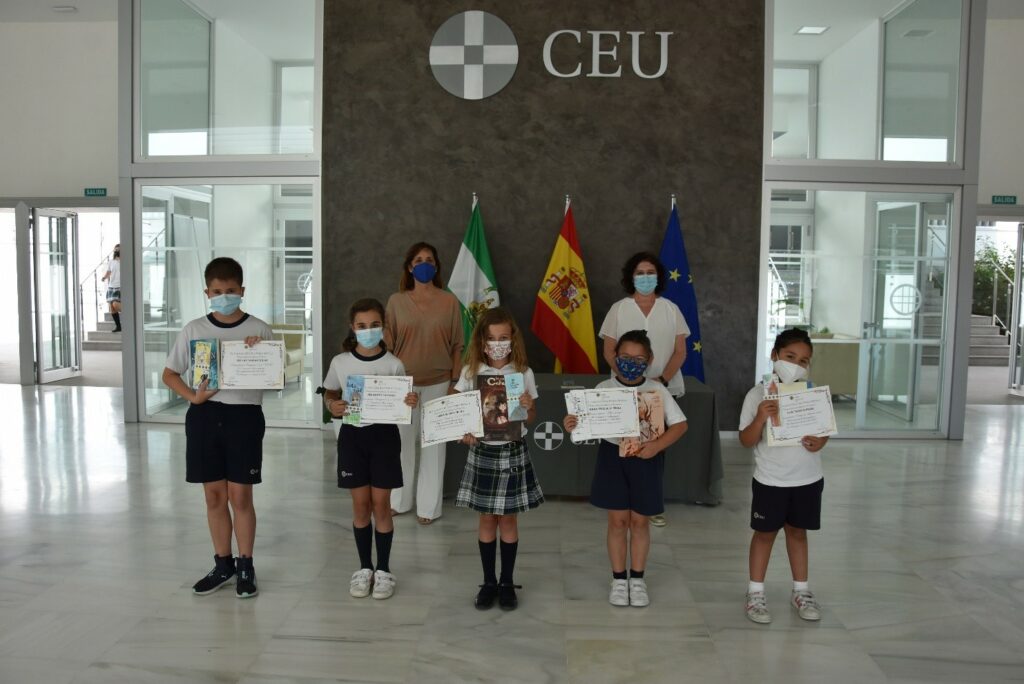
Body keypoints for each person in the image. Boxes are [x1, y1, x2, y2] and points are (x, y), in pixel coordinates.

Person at [162, 257, 272, 599]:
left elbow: (274, 376)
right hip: (205, 417)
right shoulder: (194, 329)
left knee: (241, 495)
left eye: (231, 291)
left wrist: (259, 354)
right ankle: (222, 563)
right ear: (207, 292)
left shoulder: (259, 329)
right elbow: (170, 373)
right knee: (213, 496)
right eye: (217, 291)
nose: (224, 296)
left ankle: (245, 565)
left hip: (244, 417)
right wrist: (193, 398)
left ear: (242, 291)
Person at [563, 330, 687, 608]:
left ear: (650, 360)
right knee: (617, 522)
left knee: (640, 522)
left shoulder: (657, 389)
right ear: (615, 358)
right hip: (612, 460)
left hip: (646, 459)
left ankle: (638, 579)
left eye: (639, 358)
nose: (632, 363)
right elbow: (583, 428)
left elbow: (680, 425)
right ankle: (619, 579)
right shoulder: (603, 389)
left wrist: (657, 446)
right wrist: (573, 424)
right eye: (626, 357)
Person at [322, 298, 419, 600]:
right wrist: (332, 405)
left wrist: (410, 401)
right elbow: (329, 393)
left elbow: (403, 401)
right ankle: (364, 568)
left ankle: (384, 570)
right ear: (352, 328)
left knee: (381, 506)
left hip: (385, 439)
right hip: (353, 438)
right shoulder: (340, 362)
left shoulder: (393, 363)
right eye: (362, 326)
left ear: (383, 327)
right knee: (361, 506)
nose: (368, 331)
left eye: (374, 325)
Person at [453, 307, 543, 611]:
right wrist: (463, 429)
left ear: (512, 338)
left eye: (503, 338)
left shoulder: (523, 372)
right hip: (482, 451)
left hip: (512, 450)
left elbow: (531, 415)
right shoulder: (471, 372)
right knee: (486, 518)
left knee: (508, 519)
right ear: (482, 340)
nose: (497, 343)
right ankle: (488, 581)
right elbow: (455, 407)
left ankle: (507, 582)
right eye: (491, 338)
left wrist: (528, 406)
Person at [738, 328, 828, 624]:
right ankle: (755, 593)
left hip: (807, 478)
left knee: (798, 533)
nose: (796, 364)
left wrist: (821, 441)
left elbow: (823, 433)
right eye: (790, 356)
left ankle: (801, 590)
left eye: (804, 360)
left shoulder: (812, 393)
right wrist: (761, 417)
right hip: (771, 480)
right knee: (764, 535)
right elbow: (746, 440)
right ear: (775, 355)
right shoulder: (756, 394)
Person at [598, 252, 690, 528]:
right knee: (624, 442)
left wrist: (661, 380)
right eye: (640, 272)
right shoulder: (619, 308)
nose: (646, 277)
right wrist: (625, 377)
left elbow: (680, 351)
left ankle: (650, 505)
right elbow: (608, 349)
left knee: (654, 447)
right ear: (631, 276)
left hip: (660, 387)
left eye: (650, 272)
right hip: (624, 388)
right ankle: (622, 501)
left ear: (658, 276)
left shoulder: (671, 308)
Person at [385, 242, 463, 525]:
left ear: (437, 265)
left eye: (429, 259)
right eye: (418, 259)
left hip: (440, 383)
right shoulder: (396, 301)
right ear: (409, 266)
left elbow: (458, 346)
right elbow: (387, 346)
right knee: (401, 446)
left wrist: (455, 382)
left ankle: (428, 508)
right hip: (403, 386)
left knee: (434, 448)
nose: (424, 264)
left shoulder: (450, 301)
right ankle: (399, 501)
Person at [101, 243, 122, 332]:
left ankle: (131, 314)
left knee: (115, 304)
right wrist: (104, 277)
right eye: (115, 249)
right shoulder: (111, 262)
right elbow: (109, 272)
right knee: (111, 308)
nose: (116, 251)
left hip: (119, 286)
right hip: (111, 286)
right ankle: (118, 326)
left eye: (118, 249)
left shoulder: (124, 261)